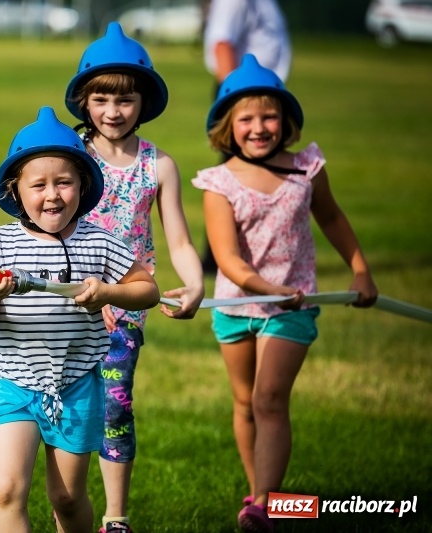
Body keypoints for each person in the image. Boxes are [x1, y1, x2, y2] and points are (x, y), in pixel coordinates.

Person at [192, 54, 379, 532]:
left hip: (292, 307)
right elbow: (229, 260)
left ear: (286, 120)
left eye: (269, 116)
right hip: (236, 306)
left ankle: (263, 505)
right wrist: (267, 287)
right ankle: (259, 496)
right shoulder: (218, 184)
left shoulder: (306, 170)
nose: (259, 127)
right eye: (247, 119)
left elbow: (333, 219)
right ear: (228, 126)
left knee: (269, 399)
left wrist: (360, 270)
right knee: (243, 402)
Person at [0, 106, 161, 533]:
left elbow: (148, 289)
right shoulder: (0, 243)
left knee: (67, 499)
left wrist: (108, 292)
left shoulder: (99, 242)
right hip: (14, 385)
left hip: (75, 386)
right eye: (39, 185)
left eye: (64, 182)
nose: (52, 195)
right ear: (16, 192)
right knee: (6, 492)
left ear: (83, 185)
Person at [64, 22, 205, 533]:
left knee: (115, 408)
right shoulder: (69, 158)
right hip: (64, 307)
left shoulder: (158, 165)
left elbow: (181, 242)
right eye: (101, 98)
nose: (113, 111)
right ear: (84, 100)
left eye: (125, 100)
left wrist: (195, 285)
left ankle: (116, 519)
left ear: (143, 102)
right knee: (66, 412)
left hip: (125, 309)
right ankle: (69, 504)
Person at [200, 0, 292, 274]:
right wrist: (235, 99)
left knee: (255, 175)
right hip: (244, 96)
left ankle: (246, 254)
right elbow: (222, 44)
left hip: (260, 95)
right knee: (234, 177)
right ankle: (217, 258)